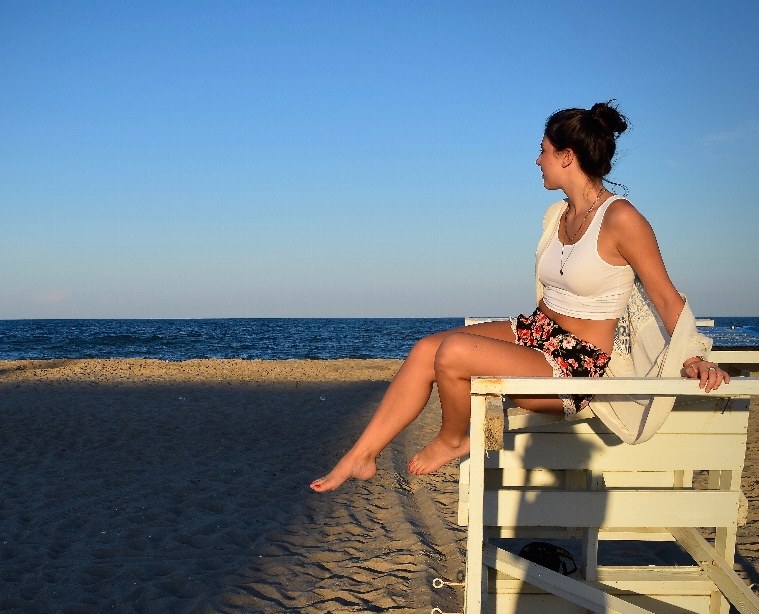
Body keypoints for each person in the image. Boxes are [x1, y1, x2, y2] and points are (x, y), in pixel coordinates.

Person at [311, 101, 729, 493]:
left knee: (455, 351)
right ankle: (361, 456)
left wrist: (693, 355)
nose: (537, 160)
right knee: (425, 350)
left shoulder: (621, 219)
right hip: (537, 333)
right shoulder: (557, 215)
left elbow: (666, 297)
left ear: (567, 156)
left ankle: (453, 438)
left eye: (543, 150)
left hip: (574, 366)